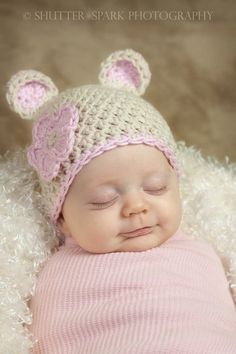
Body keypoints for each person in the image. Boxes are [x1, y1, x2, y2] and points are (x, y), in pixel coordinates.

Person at [6, 49, 236, 353]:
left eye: (156, 187)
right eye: (104, 200)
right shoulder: (50, 274)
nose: (136, 207)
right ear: (62, 217)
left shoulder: (205, 252)